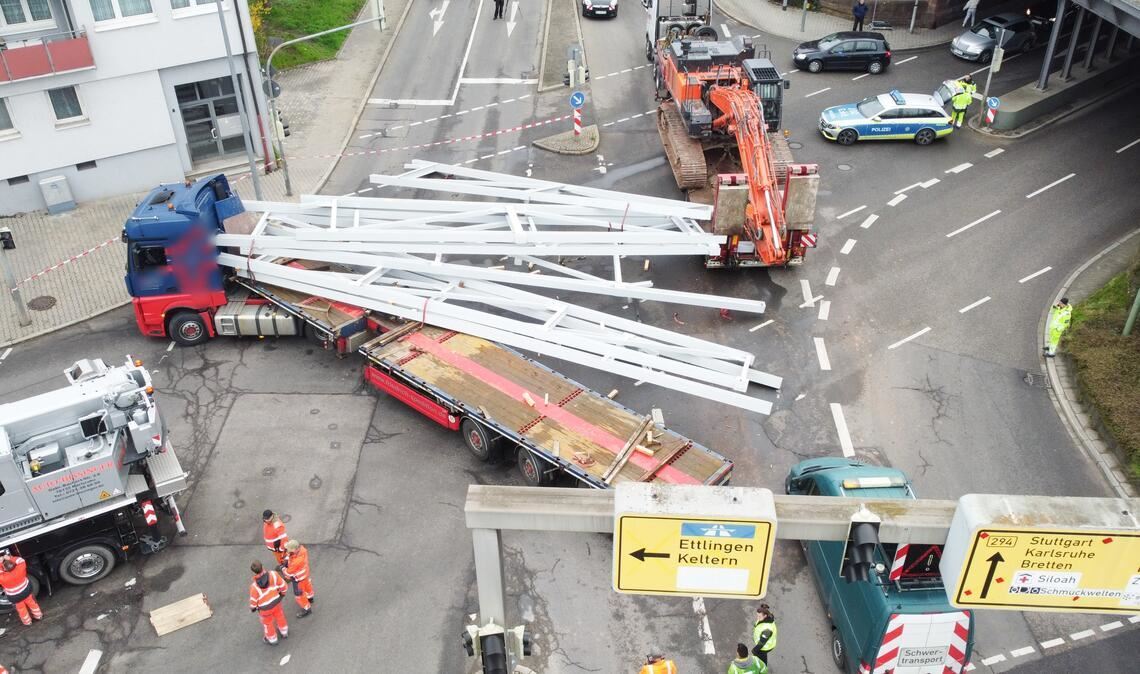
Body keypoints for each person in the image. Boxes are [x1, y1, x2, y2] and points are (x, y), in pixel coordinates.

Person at [249, 560, 289, 645]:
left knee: (268, 623)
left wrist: (253, 608)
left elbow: (253, 602)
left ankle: (272, 639)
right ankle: (284, 632)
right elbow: (283, 586)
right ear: (262, 567)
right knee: (280, 616)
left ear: (254, 572)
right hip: (276, 602)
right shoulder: (273, 575)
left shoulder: (254, 587)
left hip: (265, 609)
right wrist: (282, 594)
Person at [0, 554, 43, 627]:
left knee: (21, 609)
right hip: (26, 592)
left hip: (15, 598)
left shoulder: (3, 577)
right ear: (14, 565)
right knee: (32, 604)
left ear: (4, 569)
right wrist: (10, 558)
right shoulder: (20, 568)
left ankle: (27, 622)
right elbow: (21, 560)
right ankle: (38, 616)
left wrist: (0, 562)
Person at [282, 540, 315, 618]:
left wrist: (283, 568)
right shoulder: (302, 551)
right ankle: (310, 597)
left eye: (288, 549)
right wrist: (287, 558)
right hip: (305, 575)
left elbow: (288, 572)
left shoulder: (297, 561)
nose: (287, 550)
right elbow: (289, 554)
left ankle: (307, 608)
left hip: (298, 579)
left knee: (299, 595)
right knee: (307, 586)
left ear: (294, 549)